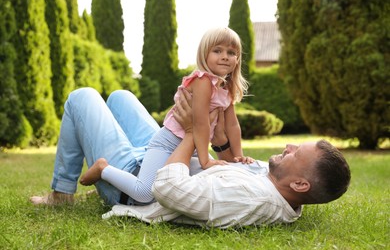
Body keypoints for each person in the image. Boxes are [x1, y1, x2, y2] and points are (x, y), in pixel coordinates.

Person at [101, 88, 351, 228]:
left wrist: (192, 132)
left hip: (136, 187)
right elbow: (226, 171)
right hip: (164, 155)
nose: (289, 146)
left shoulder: (250, 199)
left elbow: (167, 188)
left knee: (83, 97)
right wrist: (220, 142)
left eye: (297, 153)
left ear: (300, 184)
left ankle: (63, 188)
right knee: (120, 97)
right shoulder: (282, 183)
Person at [78, 27, 253, 204]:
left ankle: (123, 178)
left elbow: (232, 126)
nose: (225, 56)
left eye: (231, 52)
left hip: (190, 147)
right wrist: (205, 161)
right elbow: (200, 123)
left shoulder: (226, 88)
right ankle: (104, 169)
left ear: (237, 59)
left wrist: (238, 157)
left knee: (207, 182)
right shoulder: (203, 81)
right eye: (217, 50)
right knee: (145, 193)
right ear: (204, 54)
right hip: (167, 144)